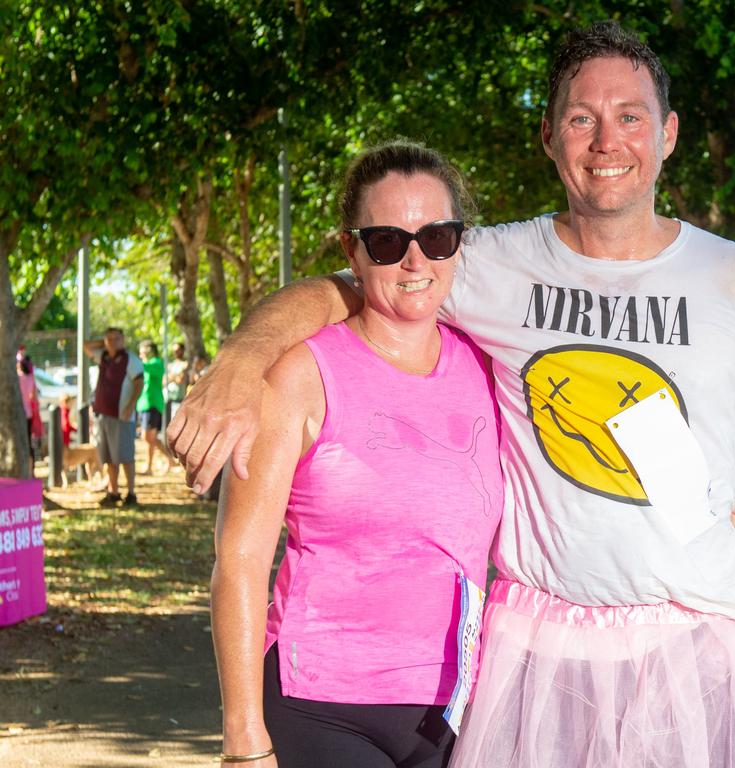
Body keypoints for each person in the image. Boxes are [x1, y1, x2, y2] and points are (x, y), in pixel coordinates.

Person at [171, 22, 735, 763]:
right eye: (582, 119)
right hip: (539, 656)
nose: (606, 141)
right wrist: (243, 358)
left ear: (670, 133)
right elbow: (346, 288)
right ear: (550, 139)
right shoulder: (483, 260)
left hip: (703, 645)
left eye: (631, 117)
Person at [211, 142, 505, 767]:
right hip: (320, 704)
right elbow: (239, 558)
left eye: (439, 237)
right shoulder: (300, 374)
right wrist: (244, 742)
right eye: (387, 243)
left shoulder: (488, 365)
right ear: (351, 250)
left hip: (458, 707)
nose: (415, 260)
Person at [85, 327, 144, 507]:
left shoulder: (131, 360)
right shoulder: (103, 356)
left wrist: (131, 405)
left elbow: (139, 383)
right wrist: (104, 343)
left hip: (122, 416)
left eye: (117, 339)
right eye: (109, 339)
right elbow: (86, 347)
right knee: (109, 457)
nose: (112, 342)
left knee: (125, 456)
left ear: (123, 340)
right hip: (104, 414)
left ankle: (131, 493)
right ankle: (114, 491)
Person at [137, 341, 175, 475]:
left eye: (142, 351)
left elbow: (143, 365)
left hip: (152, 404)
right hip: (143, 404)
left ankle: (154, 465)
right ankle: (165, 461)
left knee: (148, 437)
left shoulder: (157, 363)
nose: (140, 353)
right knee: (148, 438)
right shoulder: (147, 364)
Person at [16, 355, 39, 464]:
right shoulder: (31, 378)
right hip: (28, 413)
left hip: (18, 414)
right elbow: (34, 397)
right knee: (28, 441)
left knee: (18, 441)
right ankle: (31, 467)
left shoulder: (17, 378)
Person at [164, 342, 190, 420]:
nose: (175, 352)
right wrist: (176, 376)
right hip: (167, 398)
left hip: (178, 399)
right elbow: (164, 381)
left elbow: (180, 380)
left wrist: (171, 376)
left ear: (182, 351)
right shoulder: (170, 365)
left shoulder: (185, 364)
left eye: (177, 350)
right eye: (174, 350)